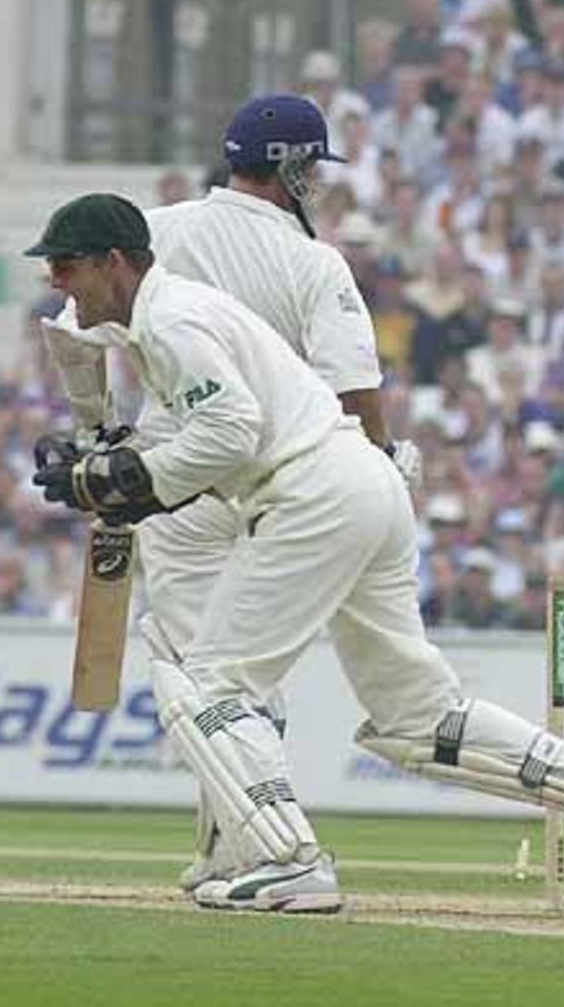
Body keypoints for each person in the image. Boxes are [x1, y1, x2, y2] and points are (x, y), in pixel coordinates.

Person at [26, 191, 564, 914]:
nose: (56, 281)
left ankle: (287, 858)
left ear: (115, 263)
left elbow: (232, 432)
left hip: (312, 494)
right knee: (415, 713)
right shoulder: (167, 318)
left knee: (209, 683)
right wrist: (114, 462)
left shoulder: (173, 319)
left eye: (66, 264)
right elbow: (213, 432)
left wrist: (132, 479)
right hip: (366, 485)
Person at [41, 95, 423, 890]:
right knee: (232, 675)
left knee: (196, 664)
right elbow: (354, 384)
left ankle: (246, 848)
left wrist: (97, 436)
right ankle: (249, 849)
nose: (314, 180)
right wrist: (381, 458)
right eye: (310, 166)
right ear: (290, 166)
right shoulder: (316, 261)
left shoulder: (154, 230)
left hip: (176, 478)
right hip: (286, 472)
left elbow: (71, 328)